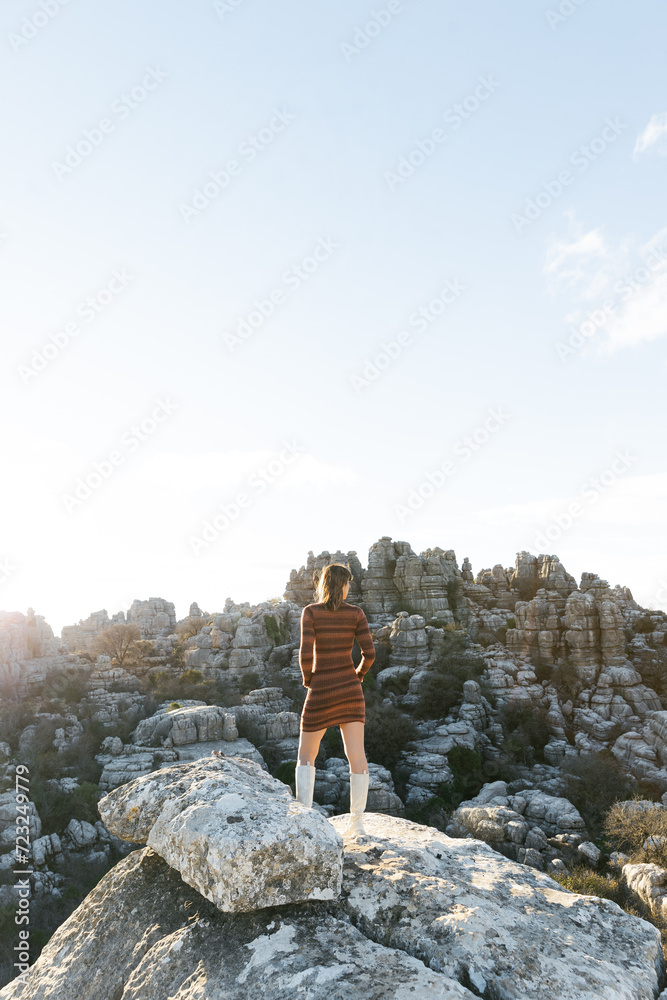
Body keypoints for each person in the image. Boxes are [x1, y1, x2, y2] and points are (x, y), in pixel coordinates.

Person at [295, 561, 376, 837]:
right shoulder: (356, 614)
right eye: (348, 583)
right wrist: (358, 675)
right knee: (357, 756)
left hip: (321, 690)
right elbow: (370, 654)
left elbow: (306, 655)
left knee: (306, 756)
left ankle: (305, 819)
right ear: (342, 585)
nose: (349, 588)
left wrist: (310, 681)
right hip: (350, 691)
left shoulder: (311, 613)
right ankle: (357, 823)